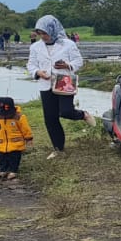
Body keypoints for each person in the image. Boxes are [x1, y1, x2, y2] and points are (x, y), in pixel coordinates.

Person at [26, 15, 94, 157]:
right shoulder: (35, 47)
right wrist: (38, 72)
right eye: (40, 33)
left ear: (53, 30)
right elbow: (31, 64)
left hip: (64, 82)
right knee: (50, 118)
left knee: (66, 112)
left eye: (45, 33)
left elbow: (78, 61)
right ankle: (58, 148)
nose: (43, 36)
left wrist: (67, 65)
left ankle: (82, 114)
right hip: (46, 84)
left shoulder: (68, 44)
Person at [0, 96, 33, 180]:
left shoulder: (19, 117)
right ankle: (3, 170)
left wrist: (29, 138)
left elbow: (25, 128)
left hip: (16, 143)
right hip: (2, 143)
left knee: (14, 158)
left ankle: (13, 171)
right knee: (2, 157)